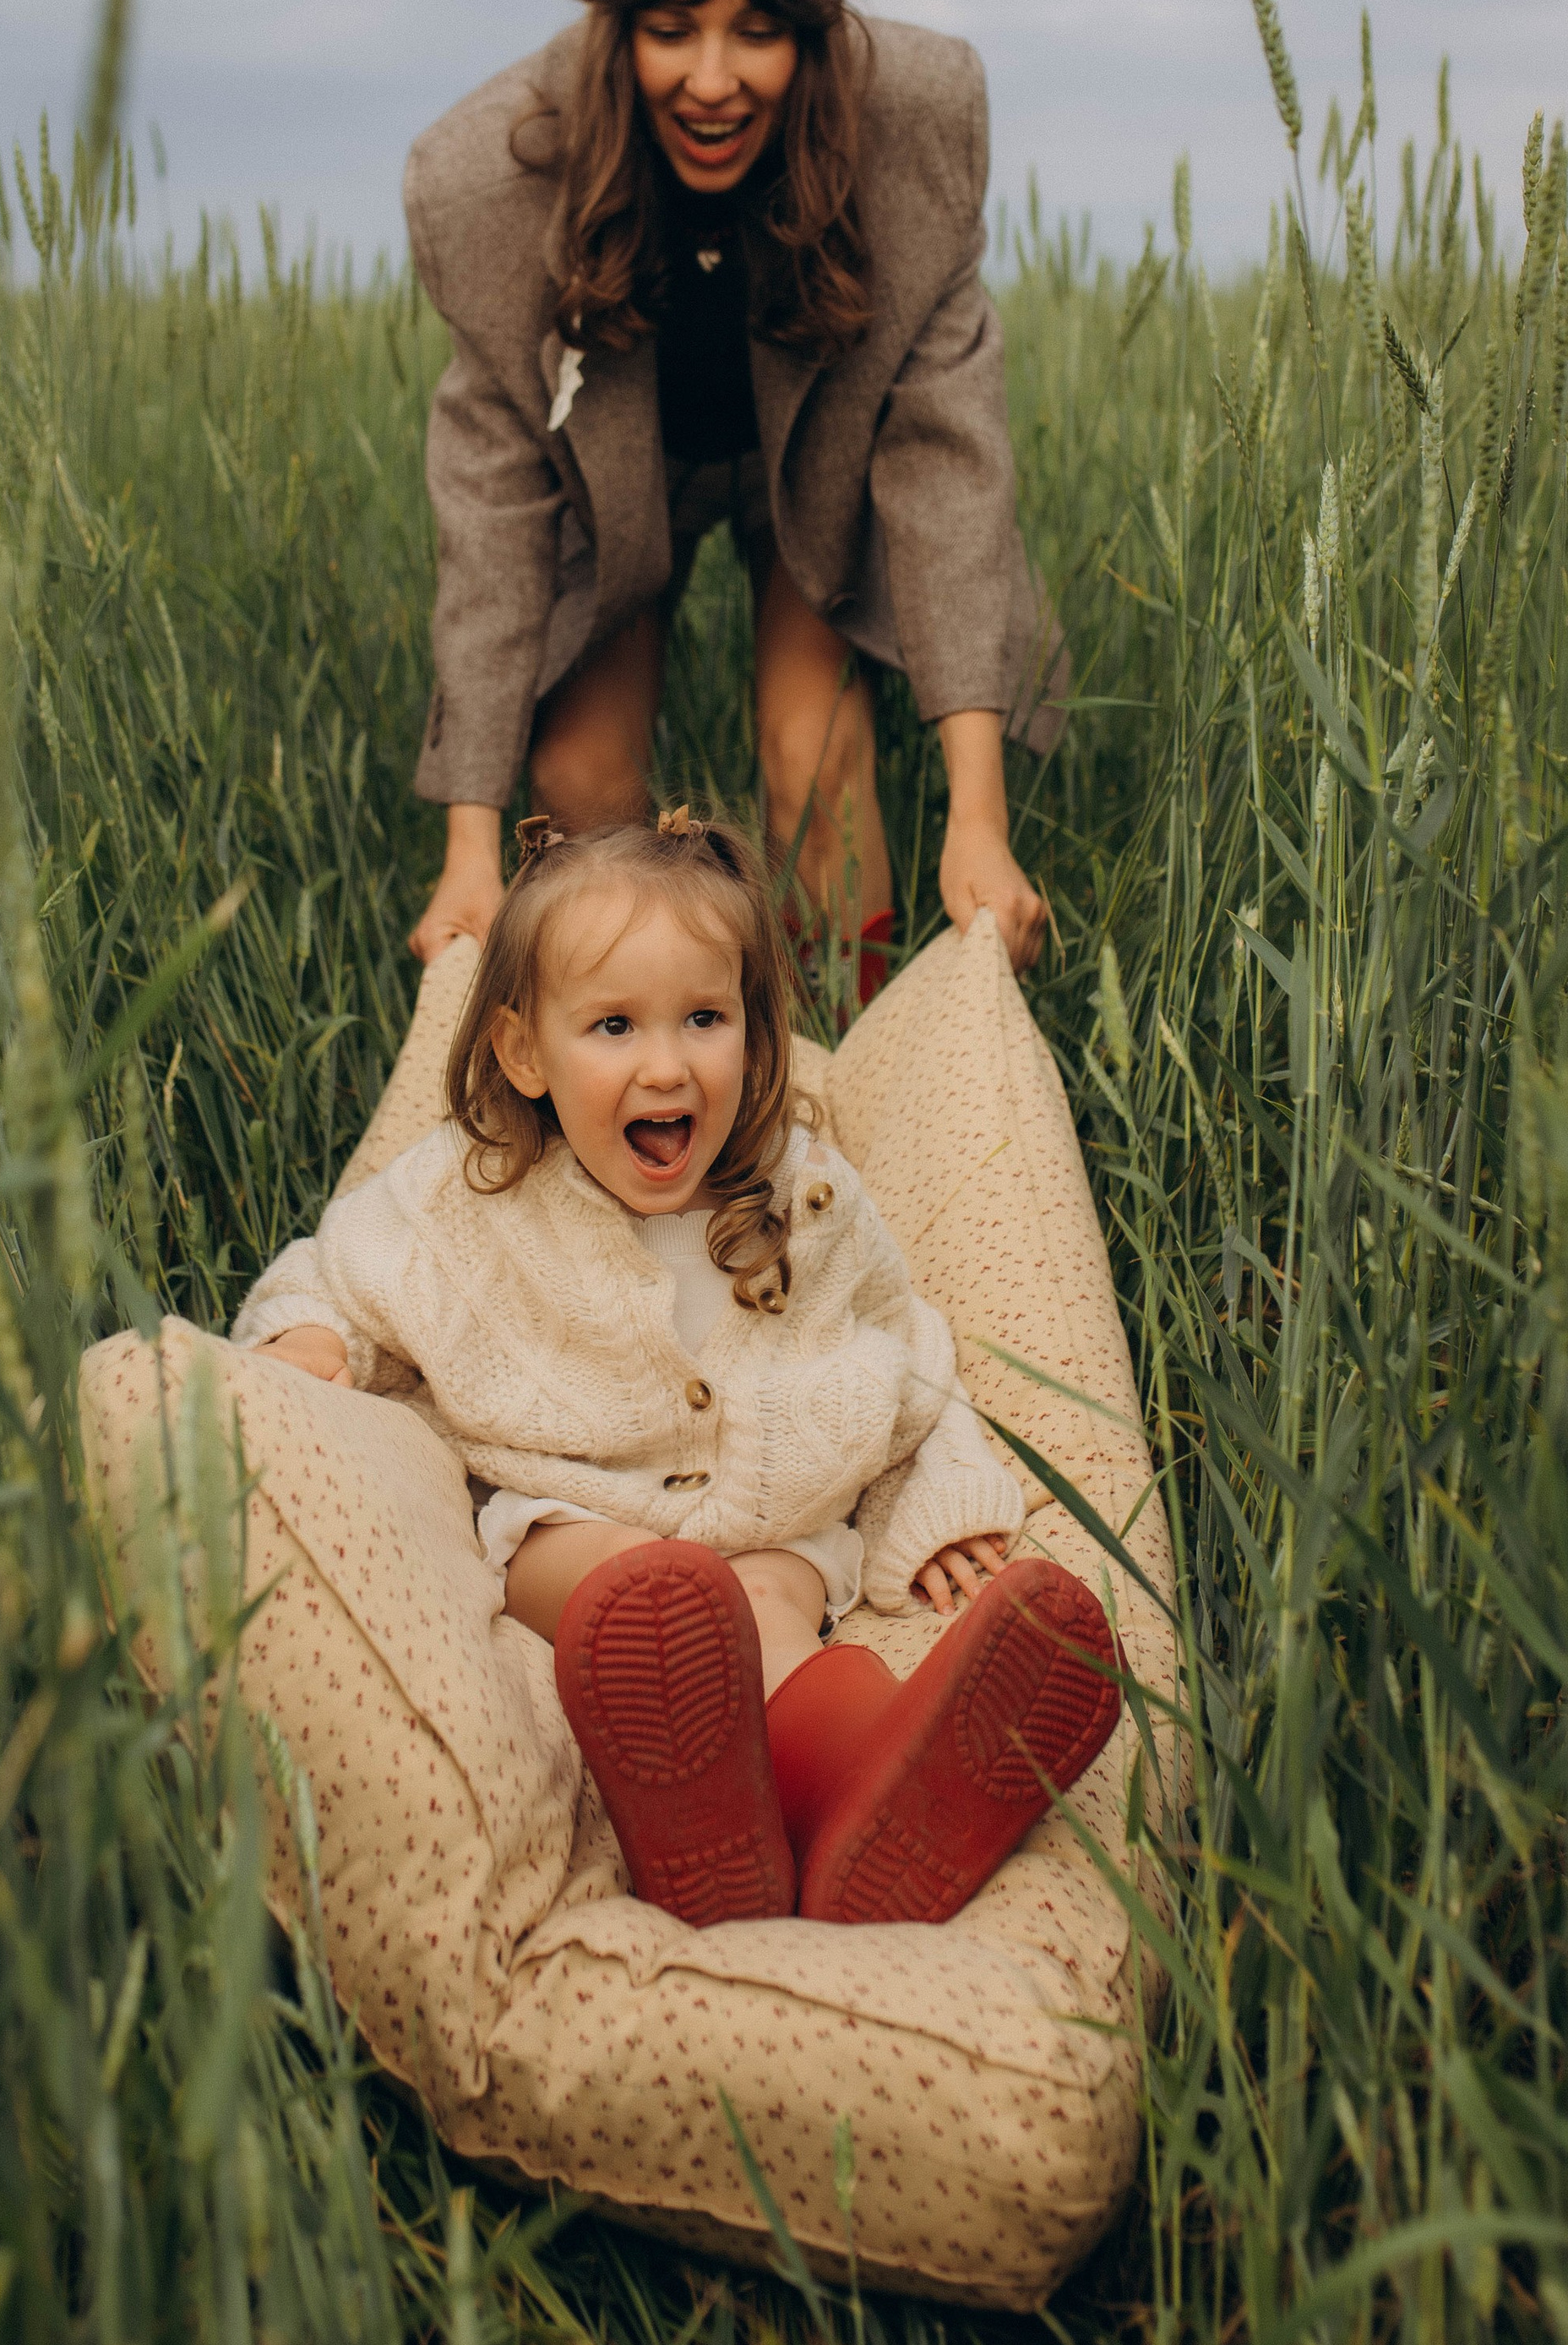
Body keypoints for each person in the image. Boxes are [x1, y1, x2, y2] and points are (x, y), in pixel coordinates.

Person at [234, 811, 1120, 1929]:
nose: (666, 1064)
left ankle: (869, 1799)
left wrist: (937, 1501)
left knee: (772, 1615)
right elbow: (339, 1273)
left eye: (704, 1018)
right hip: (574, 1517)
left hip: (766, 1532)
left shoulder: (802, 1189)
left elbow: (900, 1341)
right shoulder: (472, 1191)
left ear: (754, 1037)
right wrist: (313, 1339)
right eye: (612, 1025)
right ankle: (707, 1790)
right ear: (523, 1052)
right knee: (614, 1580)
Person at [404, 0, 1070, 999]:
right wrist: (469, 850)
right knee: (580, 785)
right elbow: (493, 522)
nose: (713, 82)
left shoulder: (915, 130)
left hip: (808, 457)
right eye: (671, 33)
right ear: (616, 35)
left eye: (757, 33)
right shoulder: (489, 186)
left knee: (817, 764)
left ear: (812, 39)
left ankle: (833, 1063)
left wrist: (980, 816)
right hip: (612, 484)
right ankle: (650, 1080)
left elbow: (948, 475)